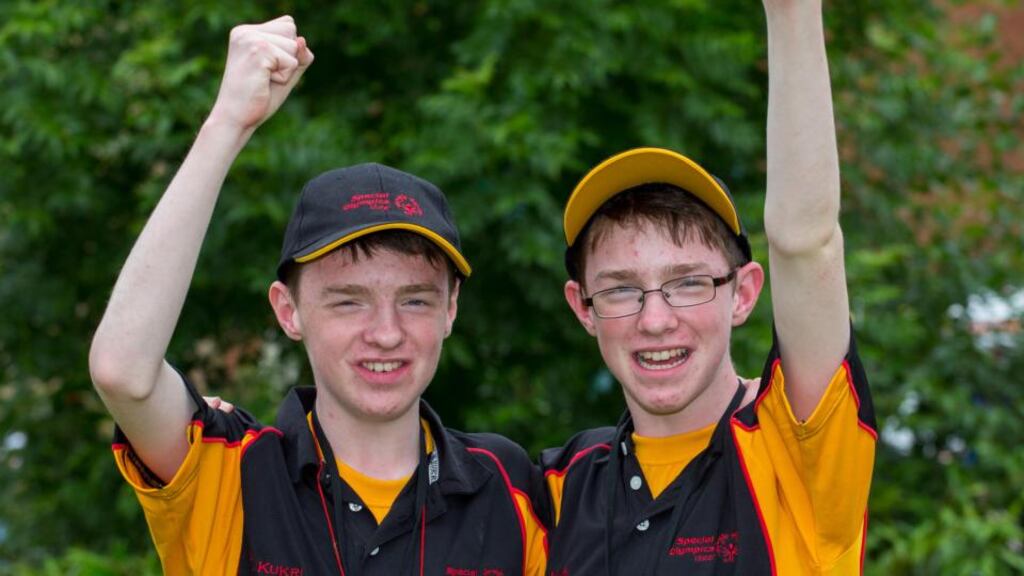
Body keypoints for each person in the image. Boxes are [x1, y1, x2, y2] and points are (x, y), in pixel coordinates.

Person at [89, 16, 546, 575]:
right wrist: (228, 123)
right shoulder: (232, 470)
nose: (386, 332)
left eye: (416, 300)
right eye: (348, 300)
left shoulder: (513, 488)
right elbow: (122, 372)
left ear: (451, 309)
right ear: (288, 310)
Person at [539, 1, 876, 573]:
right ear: (582, 307)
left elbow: (806, 241)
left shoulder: (800, 452)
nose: (655, 320)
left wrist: (793, 14)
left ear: (743, 293)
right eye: (621, 289)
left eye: (687, 282)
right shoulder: (554, 489)